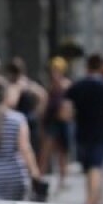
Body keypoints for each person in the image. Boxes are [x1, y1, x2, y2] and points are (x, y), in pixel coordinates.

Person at [66, 54, 103, 204]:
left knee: (88, 167)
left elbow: (66, 111)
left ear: (87, 67)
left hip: (82, 131)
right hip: (101, 130)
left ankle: (92, 199)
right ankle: (92, 201)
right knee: (96, 166)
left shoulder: (77, 86)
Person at [0, 79, 41, 201]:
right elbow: (25, 148)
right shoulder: (18, 119)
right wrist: (35, 172)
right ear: (6, 95)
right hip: (15, 176)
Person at [40, 58, 73, 189]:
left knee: (62, 152)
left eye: (58, 70)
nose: (55, 73)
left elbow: (70, 105)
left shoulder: (66, 85)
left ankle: (63, 179)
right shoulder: (50, 86)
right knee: (45, 151)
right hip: (51, 121)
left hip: (63, 123)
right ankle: (40, 176)